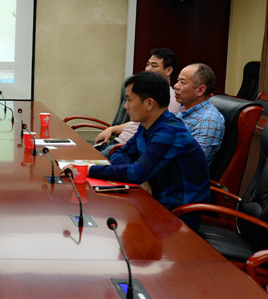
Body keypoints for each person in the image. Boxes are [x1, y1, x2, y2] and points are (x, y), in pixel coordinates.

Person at [88, 71, 210, 230]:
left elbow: (135, 173)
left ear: (149, 104)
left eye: (129, 100)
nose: (125, 106)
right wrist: (139, 176)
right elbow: (120, 152)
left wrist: (88, 170)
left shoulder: (169, 132)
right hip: (151, 200)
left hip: (177, 217)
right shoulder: (147, 125)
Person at [95, 48, 182, 156]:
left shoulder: (169, 99)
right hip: (119, 143)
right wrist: (112, 129)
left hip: (125, 148)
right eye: (147, 64)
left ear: (168, 70)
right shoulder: (147, 95)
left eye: (154, 66)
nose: (148, 69)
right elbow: (137, 124)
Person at [173, 63, 225, 164]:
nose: (176, 86)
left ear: (200, 90)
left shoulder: (208, 119)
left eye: (182, 82)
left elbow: (193, 162)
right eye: (178, 81)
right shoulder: (184, 110)